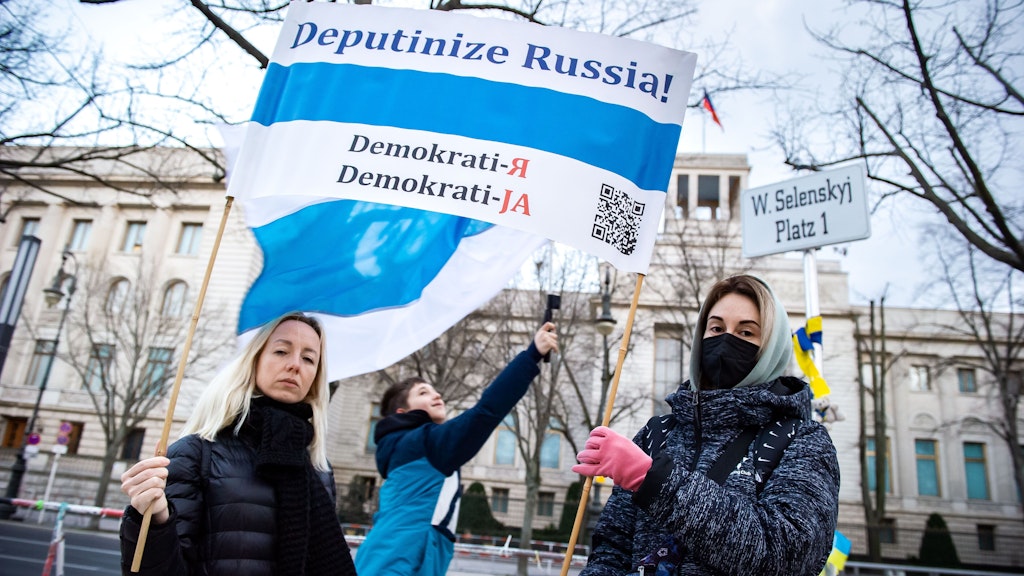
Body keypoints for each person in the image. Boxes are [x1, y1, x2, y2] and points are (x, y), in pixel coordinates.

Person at [572, 275, 839, 575]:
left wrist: (656, 482)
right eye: (716, 328)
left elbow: (786, 555)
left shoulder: (802, 440)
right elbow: (611, 549)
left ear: (772, 347)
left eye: (746, 332)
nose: (726, 341)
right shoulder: (657, 433)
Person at [118, 312, 356, 576]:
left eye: (309, 358)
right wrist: (155, 520)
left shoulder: (319, 469)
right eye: (281, 351)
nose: (295, 365)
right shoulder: (196, 454)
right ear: (253, 359)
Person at [354, 322, 559, 576]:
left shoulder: (407, 447)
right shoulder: (424, 443)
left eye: (434, 390)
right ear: (402, 412)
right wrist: (532, 355)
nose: (436, 395)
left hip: (389, 559)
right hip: (396, 564)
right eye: (423, 393)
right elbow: (487, 410)